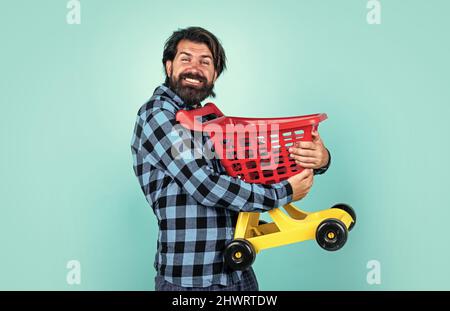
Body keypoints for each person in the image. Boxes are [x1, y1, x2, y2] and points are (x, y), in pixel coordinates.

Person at [130, 27, 331, 291]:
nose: (195, 68)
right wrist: (285, 192)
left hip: (236, 269)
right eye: (185, 58)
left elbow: (255, 163)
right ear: (169, 66)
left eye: (205, 62)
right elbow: (205, 185)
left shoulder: (204, 118)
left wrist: (319, 159)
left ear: (214, 74)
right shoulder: (158, 116)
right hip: (193, 279)